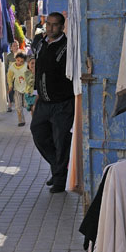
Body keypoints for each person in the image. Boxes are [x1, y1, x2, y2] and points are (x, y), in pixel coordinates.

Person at [30, 12, 74, 194]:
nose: (50, 28)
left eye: (55, 25)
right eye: (48, 24)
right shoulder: (41, 43)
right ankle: (58, 167)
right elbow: (38, 71)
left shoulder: (67, 47)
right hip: (43, 102)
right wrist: (36, 96)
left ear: (62, 27)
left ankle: (59, 181)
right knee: (38, 133)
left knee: (61, 140)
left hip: (62, 103)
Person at [6, 51, 33, 127]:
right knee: (18, 106)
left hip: (26, 88)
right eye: (18, 60)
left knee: (27, 104)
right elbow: (9, 76)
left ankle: (33, 118)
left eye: (21, 61)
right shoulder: (12, 67)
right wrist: (10, 85)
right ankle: (21, 120)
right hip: (17, 88)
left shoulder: (26, 66)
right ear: (15, 59)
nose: (19, 62)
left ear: (24, 61)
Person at [3, 40, 19, 112]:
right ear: (11, 48)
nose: (16, 47)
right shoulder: (8, 56)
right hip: (11, 75)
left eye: (17, 45)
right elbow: (6, 66)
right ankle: (10, 105)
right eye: (14, 46)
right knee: (10, 90)